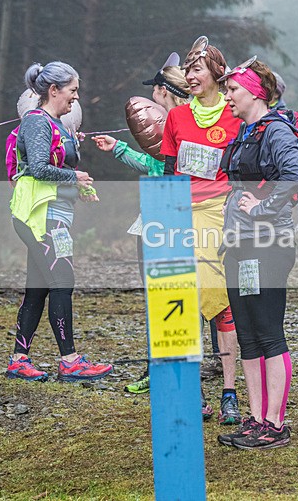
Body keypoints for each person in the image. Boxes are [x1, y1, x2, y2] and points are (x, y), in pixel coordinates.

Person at [216, 57, 298, 449]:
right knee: (248, 335)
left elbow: (293, 176)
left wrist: (263, 209)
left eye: (233, 90)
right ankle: (255, 419)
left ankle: (275, 423)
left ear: (254, 92)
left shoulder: (276, 132)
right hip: (239, 245)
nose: (227, 97)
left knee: (269, 333)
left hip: (268, 244)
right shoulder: (245, 131)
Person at [6, 61, 113, 382]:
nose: (75, 99)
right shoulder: (38, 123)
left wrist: (77, 187)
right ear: (53, 90)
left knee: (38, 288)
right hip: (40, 214)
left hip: (51, 212)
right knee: (62, 282)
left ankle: (18, 360)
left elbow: (52, 169)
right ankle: (69, 361)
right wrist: (74, 175)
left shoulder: (55, 124)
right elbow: (38, 168)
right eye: (72, 92)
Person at [91, 53, 191, 394]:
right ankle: (164, 367)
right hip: (172, 220)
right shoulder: (180, 124)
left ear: (165, 91)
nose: (151, 96)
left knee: (162, 297)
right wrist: (118, 148)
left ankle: (166, 369)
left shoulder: (181, 125)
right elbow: (152, 163)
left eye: (155, 90)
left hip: (163, 221)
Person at [160, 36, 241, 425]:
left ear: (216, 72)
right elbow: (168, 171)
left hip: (218, 214)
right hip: (180, 214)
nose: (189, 76)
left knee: (220, 301)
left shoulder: (234, 114)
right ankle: (193, 393)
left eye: (196, 69)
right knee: (182, 301)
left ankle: (230, 392)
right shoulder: (176, 118)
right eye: (188, 69)